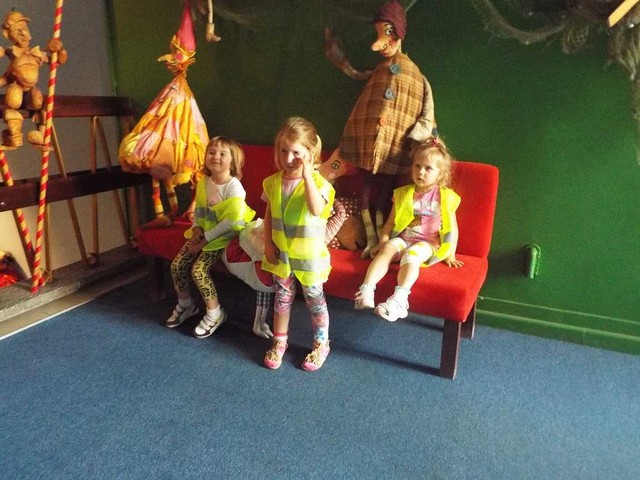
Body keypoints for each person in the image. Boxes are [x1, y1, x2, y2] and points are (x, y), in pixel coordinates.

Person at [354, 139, 463, 322]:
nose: (420, 172)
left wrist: (450, 254)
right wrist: (382, 242)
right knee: (388, 249)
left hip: (428, 243)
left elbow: (452, 228)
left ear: (440, 174)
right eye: (417, 166)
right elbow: (390, 224)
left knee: (411, 255)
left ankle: (400, 299)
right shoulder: (403, 194)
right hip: (404, 238)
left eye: (428, 168)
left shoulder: (445, 197)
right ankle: (366, 290)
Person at [261, 117, 336, 371]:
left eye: (296, 152)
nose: (288, 158)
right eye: (283, 151)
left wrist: (307, 177)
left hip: (309, 258)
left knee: (314, 299)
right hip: (282, 255)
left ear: (310, 153)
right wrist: (267, 243)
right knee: (282, 298)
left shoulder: (321, 185)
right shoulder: (272, 182)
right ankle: (279, 342)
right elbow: (269, 214)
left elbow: (316, 209)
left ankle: (321, 344)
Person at [166, 136, 255, 337]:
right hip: (205, 232)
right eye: (212, 152)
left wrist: (204, 241)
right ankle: (186, 305)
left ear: (233, 161)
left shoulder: (234, 187)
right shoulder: (203, 182)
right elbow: (199, 211)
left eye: (222, 154)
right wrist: (196, 229)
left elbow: (231, 222)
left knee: (199, 271)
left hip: (224, 235)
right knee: (177, 265)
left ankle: (215, 313)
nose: (215, 156)